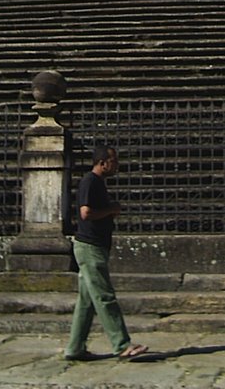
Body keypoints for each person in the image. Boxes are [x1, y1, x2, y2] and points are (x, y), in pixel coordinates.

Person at [64, 146, 148, 362]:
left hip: (94, 246)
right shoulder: (90, 181)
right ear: (103, 162)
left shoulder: (96, 182)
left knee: (87, 301)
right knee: (104, 296)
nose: (116, 165)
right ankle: (121, 344)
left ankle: (74, 348)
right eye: (114, 160)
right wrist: (111, 210)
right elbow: (86, 212)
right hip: (90, 247)